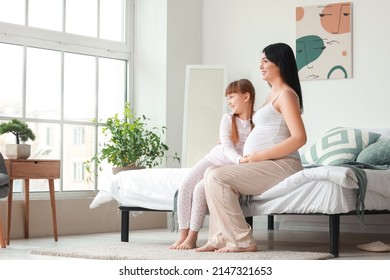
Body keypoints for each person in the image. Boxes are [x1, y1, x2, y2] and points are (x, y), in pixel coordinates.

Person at [196, 42, 307, 253]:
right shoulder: (272, 95)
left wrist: (259, 155)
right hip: (267, 163)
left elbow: (300, 137)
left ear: (280, 63)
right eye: (261, 61)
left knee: (217, 177)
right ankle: (220, 237)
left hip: (283, 164)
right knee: (212, 172)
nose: (261, 66)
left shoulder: (286, 95)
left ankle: (242, 240)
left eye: (265, 61)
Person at [169, 79, 256, 250]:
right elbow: (226, 146)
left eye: (232, 97)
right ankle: (182, 235)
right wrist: (239, 159)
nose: (229, 102)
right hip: (214, 159)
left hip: (228, 169)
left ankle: (192, 237)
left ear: (246, 96)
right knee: (186, 185)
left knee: (200, 189)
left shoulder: (257, 122)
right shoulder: (227, 119)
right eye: (227, 98)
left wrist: (242, 161)